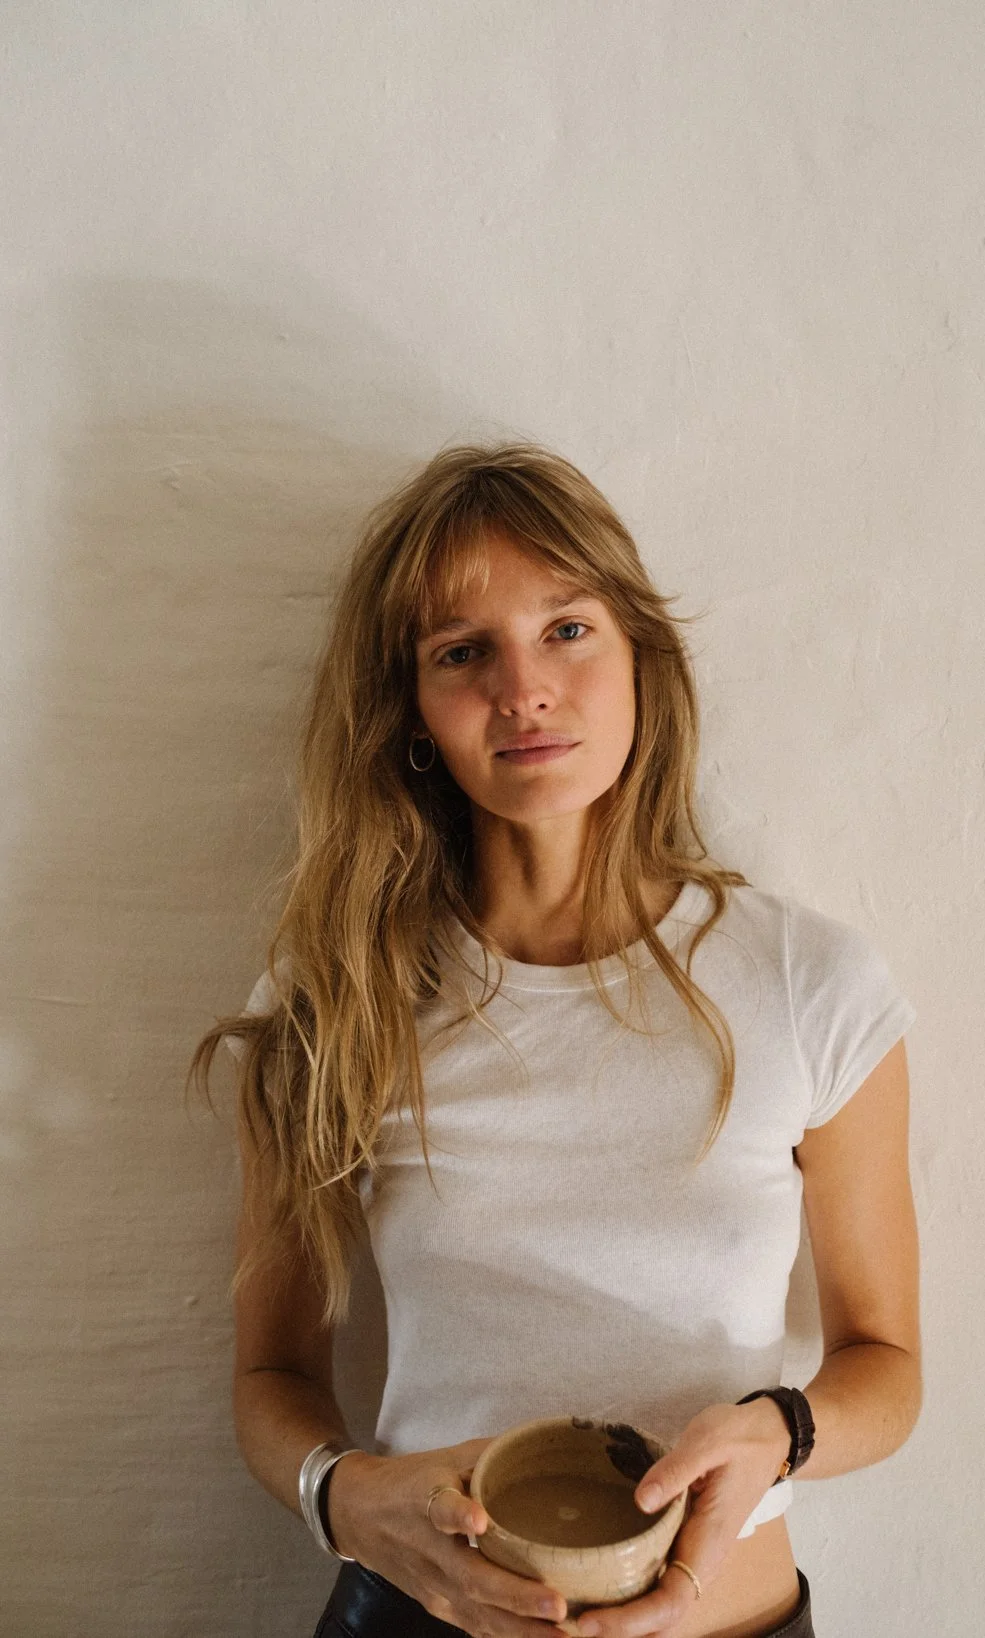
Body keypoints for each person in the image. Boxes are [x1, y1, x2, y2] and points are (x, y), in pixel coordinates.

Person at [189, 441, 921, 1638]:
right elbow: (272, 1377)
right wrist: (346, 1497)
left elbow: (886, 1363)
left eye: (567, 630)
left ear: (640, 658)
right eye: (462, 652)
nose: (523, 689)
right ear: (413, 711)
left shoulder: (807, 984)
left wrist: (780, 1430)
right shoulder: (340, 996)